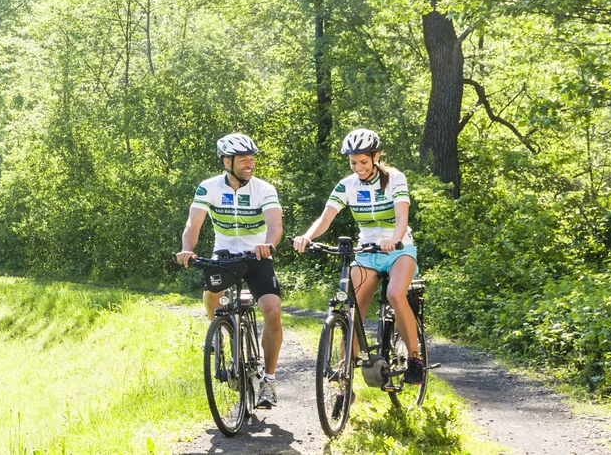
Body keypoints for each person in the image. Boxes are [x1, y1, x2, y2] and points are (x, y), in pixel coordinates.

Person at [290, 128, 425, 385]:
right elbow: (326, 217)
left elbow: (402, 217)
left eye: (363, 162)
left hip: (398, 249)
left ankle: (415, 360)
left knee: (395, 294)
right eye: (353, 162)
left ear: (376, 156)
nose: (358, 168)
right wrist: (307, 237)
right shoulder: (347, 185)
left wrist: (394, 240)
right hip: (366, 252)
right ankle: (344, 380)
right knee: (353, 312)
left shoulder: (395, 178)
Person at [177, 133, 286, 409]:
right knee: (212, 291)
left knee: (272, 310)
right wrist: (188, 249)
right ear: (227, 161)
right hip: (223, 254)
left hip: (257, 255)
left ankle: (269, 381)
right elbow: (193, 223)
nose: (250, 163)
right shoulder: (209, 188)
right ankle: (219, 330)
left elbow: (275, 225)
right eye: (243, 160)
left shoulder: (264, 189)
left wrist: (268, 245)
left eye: (252, 158)